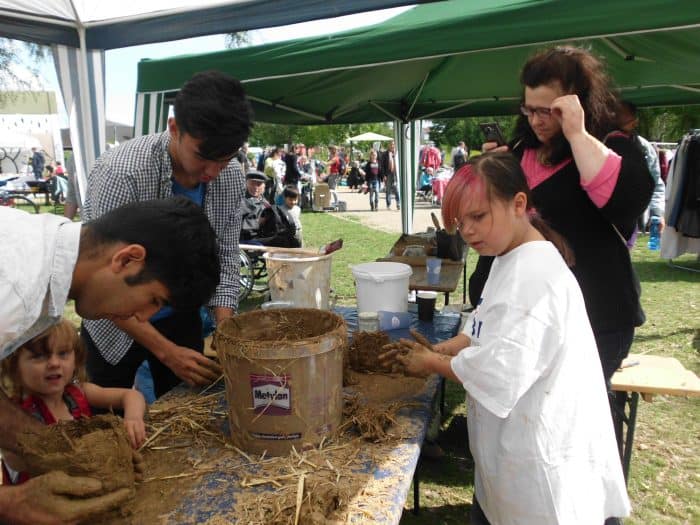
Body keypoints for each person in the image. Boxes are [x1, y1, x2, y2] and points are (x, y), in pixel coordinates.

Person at [380, 153, 630, 525]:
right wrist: (453, 345)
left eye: (478, 217)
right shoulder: (507, 256)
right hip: (512, 461)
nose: (467, 231)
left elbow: (502, 371)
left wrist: (431, 362)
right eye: (460, 223)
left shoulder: (535, 274)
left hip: (546, 478)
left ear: (518, 204)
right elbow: (484, 323)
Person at [0, 197, 219, 524]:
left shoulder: (44, 253)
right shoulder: (16, 293)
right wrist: (11, 503)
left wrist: (59, 452)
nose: (142, 316)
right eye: (153, 300)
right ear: (128, 259)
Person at [473, 46, 653, 390]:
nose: (537, 120)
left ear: (578, 103)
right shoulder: (521, 150)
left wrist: (576, 134)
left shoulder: (610, 145)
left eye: (549, 110)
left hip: (594, 316)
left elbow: (626, 204)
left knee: (577, 420)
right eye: (529, 109)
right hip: (531, 314)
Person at [82, 70, 253, 400]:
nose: (212, 173)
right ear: (175, 128)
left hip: (181, 314)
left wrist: (225, 326)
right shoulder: (122, 172)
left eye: (226, 159)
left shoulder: (229, 176)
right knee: (108, 419)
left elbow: (227, 257)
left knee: (186, 410)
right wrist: (166, 352)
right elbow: (99, 280)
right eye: (203, 157)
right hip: (112, 323)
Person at [1, 319, 147, 484]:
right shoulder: (15, 415)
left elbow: (131, 396)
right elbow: (15, 461)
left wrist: (133, 418)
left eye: (63, 354)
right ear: (14, 366)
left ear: (76, 359)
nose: (54, 363)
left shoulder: (78, 392)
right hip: (42, 499)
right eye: (39, 356)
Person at [617, 101, 665, 243]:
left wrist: (656, 213)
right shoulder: (598, 143)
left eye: (624, 119)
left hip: (629, 221)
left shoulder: (643, 148)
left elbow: (655, 184)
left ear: (634, 122)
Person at [240, 170, 272, 242]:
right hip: (241, 240)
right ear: (246, 184)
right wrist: (257, 222)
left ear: (264, 186)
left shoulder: (266, 204)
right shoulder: (238, 201)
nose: (255, 187)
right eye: (252, 183)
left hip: (262, 240)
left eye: (259, 184)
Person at [380, 141, 400, 210]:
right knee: (388, 190)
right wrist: (383, 175)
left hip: (395, 173)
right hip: (388, 173)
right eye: (391, 144)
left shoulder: (397, 153)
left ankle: (398, 203)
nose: (392, 146)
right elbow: (382, 166)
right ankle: (388, 204)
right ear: (388, 145)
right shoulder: (385, 154)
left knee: (396, 188)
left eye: (393, 144)